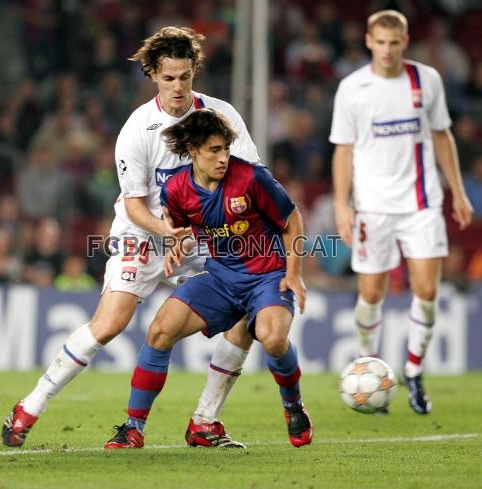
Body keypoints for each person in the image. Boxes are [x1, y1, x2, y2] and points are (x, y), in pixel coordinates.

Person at [2, 27, 259, 449]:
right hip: (145, 233)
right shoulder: (139, 128)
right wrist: (167, 232)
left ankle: (205, 421)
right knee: (110, 324)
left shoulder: (222, 117)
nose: (177, 87)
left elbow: (248, 181)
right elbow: (136, 203)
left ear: (194, 72)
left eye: (184, 77)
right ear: (154, 76)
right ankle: (30, 405)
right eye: (168, 78)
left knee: (248, 307)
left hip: (200, 236)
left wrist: (198, 231)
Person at [104, 108, 312, 449]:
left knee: (272, 339)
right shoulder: (176, 189)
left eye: (226, 149)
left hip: (267, 276)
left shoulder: (251, 178)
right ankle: (133, 427)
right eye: (214, 150)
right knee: (160, 329)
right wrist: (177, 244)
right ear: (193, 150)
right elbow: (188, 231)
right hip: (222, 277)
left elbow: (292, 221)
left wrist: (294, 274)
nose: (223, 158)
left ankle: (293, 406)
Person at [330, 10, 473, 414]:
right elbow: (343, 150)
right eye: (381, 42)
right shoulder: (353, 88)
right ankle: (366, 366)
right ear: (368, 41)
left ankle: (413, 372)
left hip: (421, 204)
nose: (388, 50)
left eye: (395, 43)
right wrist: (343, 205)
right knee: (372, 293)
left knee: (426, 291)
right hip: (372, 208)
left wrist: (458, 192)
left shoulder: (426, 80)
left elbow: (442, 135)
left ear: (405, 42)